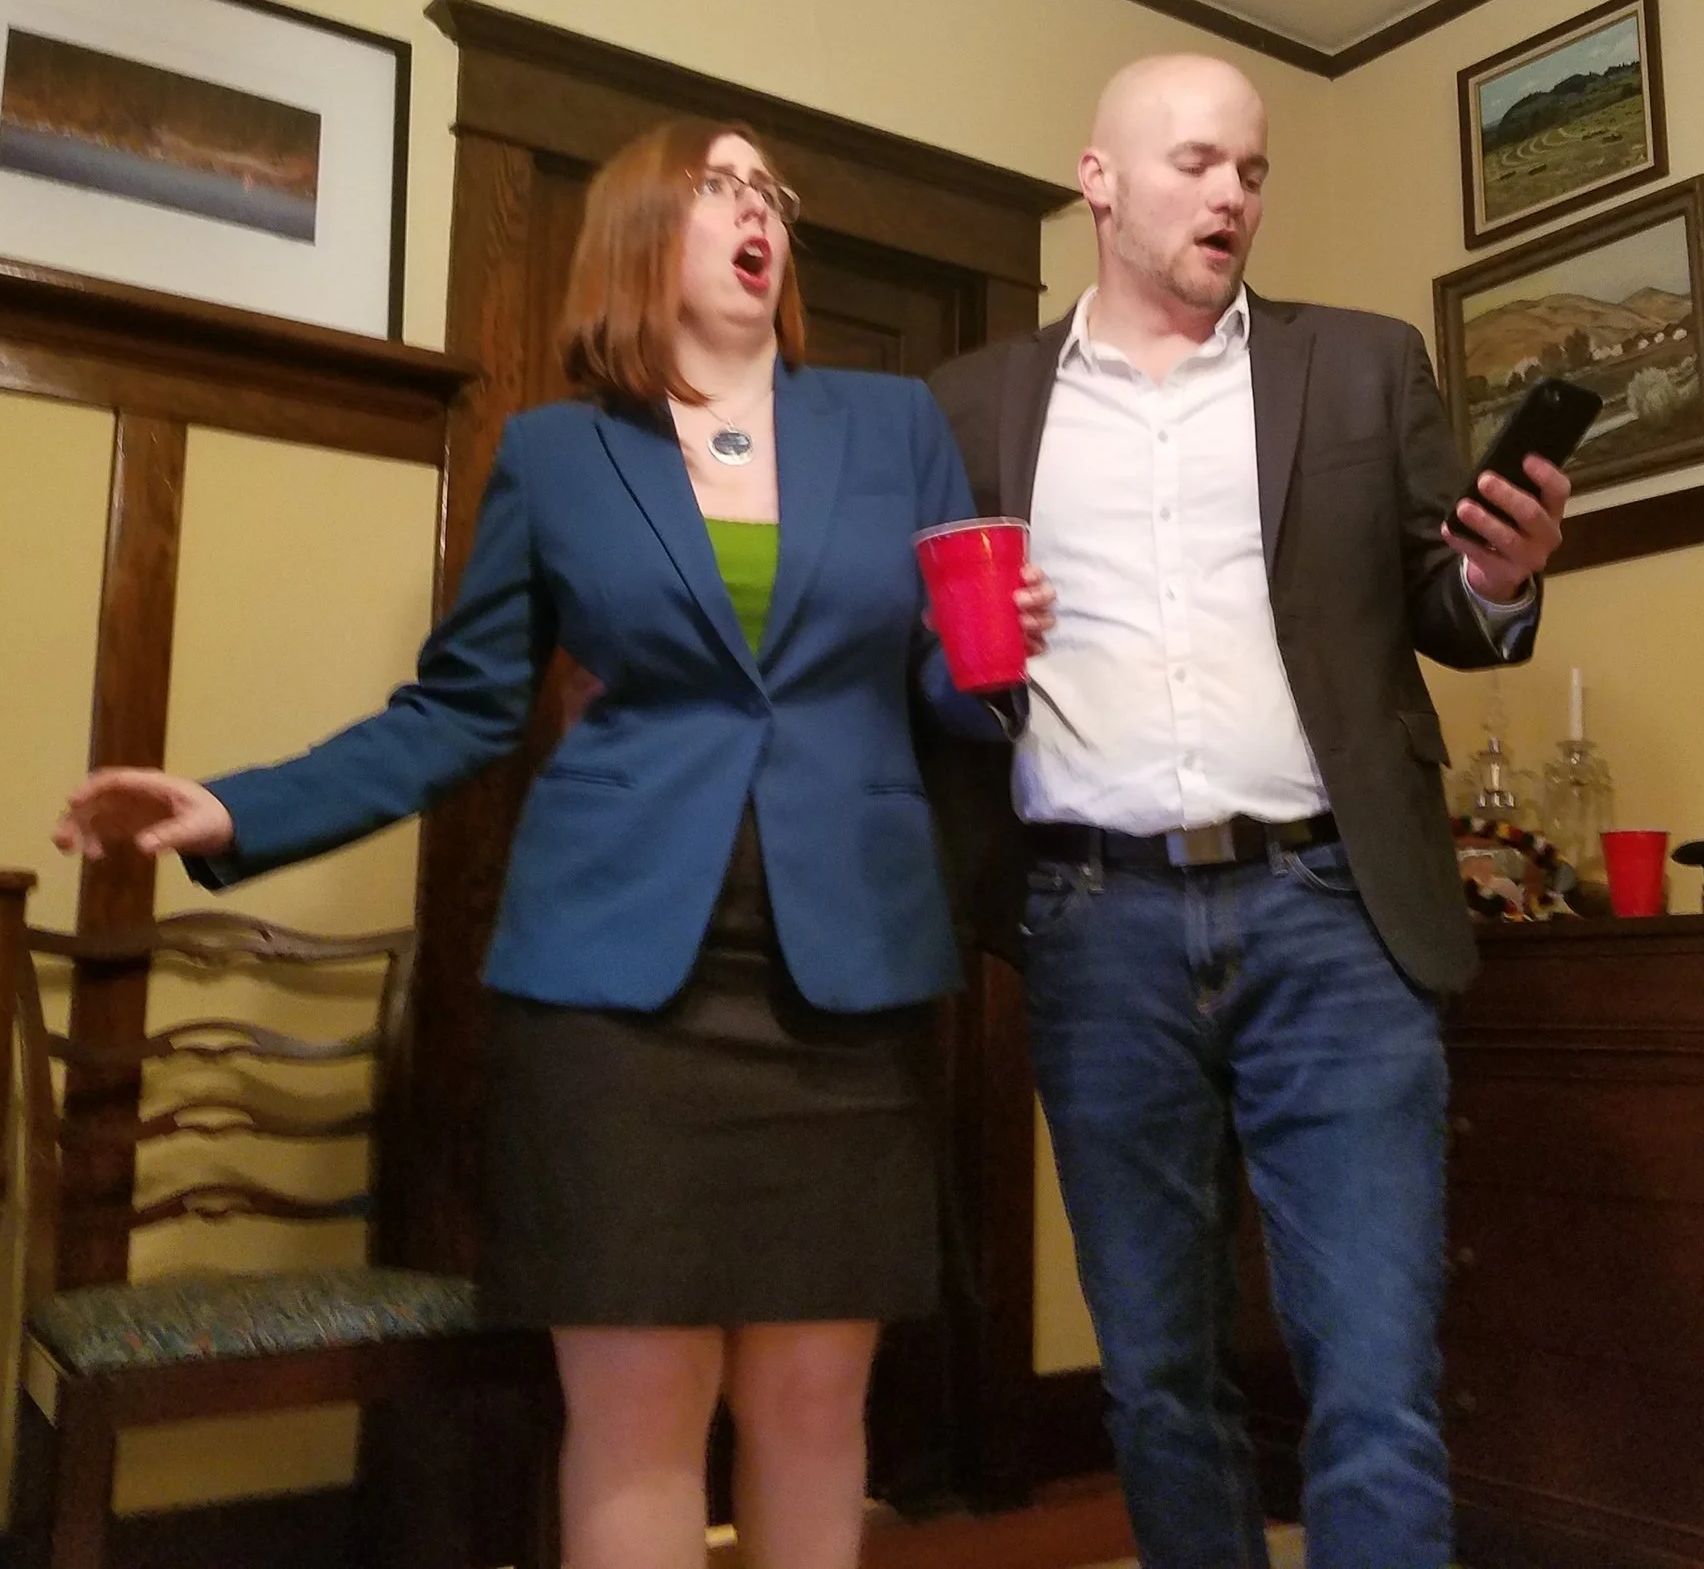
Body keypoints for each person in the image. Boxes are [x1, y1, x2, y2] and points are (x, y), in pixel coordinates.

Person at [55, 118, 1050, 1569]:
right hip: (613, 993)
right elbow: (460, 705)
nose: (757, 211)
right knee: (640, 1401)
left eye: (771, 192)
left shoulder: (894, 427)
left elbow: (954, 690)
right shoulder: (558, 453)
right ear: (641, 228)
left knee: (814, 1395)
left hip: (850, 981)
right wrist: (242, 806)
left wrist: (998, 656)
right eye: (718, 187)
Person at [927, 55, 1569, 1569]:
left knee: (1376, 1383)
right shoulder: (970, 404)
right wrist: (955, 652)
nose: (1233, 195)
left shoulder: (1361, 365)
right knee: (1159, 1378)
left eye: (1254, 171)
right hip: (1092, 925)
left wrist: (1498, 576)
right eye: (1198, 163)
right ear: (1098, 181)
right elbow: (932, 663)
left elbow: (1444, 602)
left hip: (1332, 915)